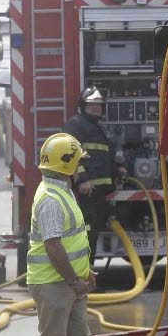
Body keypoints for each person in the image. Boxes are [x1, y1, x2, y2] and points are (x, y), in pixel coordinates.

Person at [22, 133, 111, 336]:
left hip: (69, 281)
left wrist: (84, 274)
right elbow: (53, 245)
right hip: (54, 283)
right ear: (68, 166)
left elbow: (70, 242)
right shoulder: (50, 198)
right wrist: (74, 280)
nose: (80, 168)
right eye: (77, 162)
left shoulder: (61, 191)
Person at [61, 87, 122, 261]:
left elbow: (101, 157)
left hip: (98, 191)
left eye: (99, 106)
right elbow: (70, 154)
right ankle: (84, 275)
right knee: (86, 232)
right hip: (87, 190)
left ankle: (87, 275)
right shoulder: (75, 125)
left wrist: (118, 170)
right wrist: (82, 180)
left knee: (93, 231)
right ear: (82, 106)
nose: (96, 109)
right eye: (92, 105)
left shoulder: (95, 128)